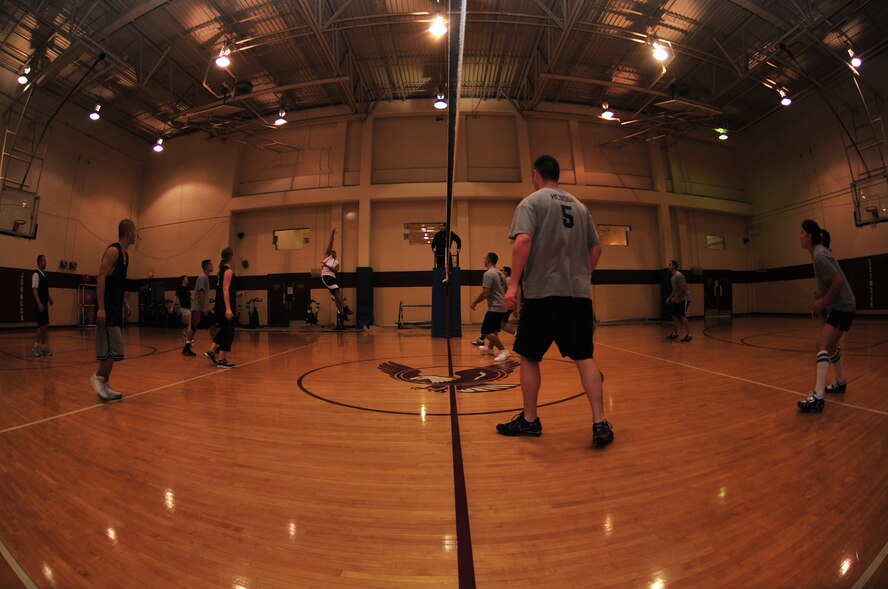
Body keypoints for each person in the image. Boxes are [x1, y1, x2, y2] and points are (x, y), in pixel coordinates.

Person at [497, 155, 614, 446]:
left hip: (543, 293)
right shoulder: (581, 207)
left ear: (536, 174)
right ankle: (600, 423)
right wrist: (581, 274)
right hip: (578, 294)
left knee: (529, 356)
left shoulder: (532, 202)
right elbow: (596, 248)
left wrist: (512, 285)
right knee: (584, 356)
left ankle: (530, 420)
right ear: (556, 175)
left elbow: (523, 241)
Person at [797, 219, 856, 413]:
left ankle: (818, 397)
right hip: (842, 306)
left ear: (810, 236)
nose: (800, 236)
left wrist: (822, 302)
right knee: (830, 346)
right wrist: (821, 296)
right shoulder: (818, 255)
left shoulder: (820, 255)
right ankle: (840, 382)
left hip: (843, 307)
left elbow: (838, 281)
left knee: (821, 345)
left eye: (802, 233)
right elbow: (832, 283)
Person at [90, 219, 137, 402]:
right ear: (128, 232)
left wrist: (125, 302)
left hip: (115, 308)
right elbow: (100, 277)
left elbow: (117, 284)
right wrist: (101, 308)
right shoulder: (113, 251)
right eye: (135, 231)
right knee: (113, 350)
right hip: (107, 309)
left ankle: (105, 383)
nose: (137, 235)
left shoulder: (126, 255)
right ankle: (96, 379)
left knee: (113, 352)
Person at [470, 252, 510, 362]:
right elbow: (506, 290)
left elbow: (485, 293)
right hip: (502, 306)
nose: (484, 260)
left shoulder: (488, 274)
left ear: (488, 260)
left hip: (496, 307)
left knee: (486, 331)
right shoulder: (501, 274)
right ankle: (490, 349)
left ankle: (503, 351)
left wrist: (475, 302)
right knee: (493, 329)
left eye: (484, 258)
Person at [206, 248, 237, 368]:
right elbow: (225, 289)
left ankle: (212, 351)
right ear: (231, 256)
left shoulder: (220, 271)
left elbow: (225, 290)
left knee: (224, 329)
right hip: (224, 307)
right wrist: (228, 309)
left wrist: (235, 295)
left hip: (220, 305)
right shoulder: (228, 271)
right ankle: (221, 359)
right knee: (228, 332)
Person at [320, 229, 352, 326]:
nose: (333, 251)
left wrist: (327, 266)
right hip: (326, 276)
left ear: (336, 255)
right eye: (332, 251)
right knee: (337, 291)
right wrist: (332, 233)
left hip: (332, 277)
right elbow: (331, 243)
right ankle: (345, 307)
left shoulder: (337, 262)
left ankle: (341, 313)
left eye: (335, 252)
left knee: (337, 295)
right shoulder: (327, 256)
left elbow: (336, 271)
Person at [186, 259, 214, 355]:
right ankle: (186, 348)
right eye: (211, 264)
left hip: (201, 308)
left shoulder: (205, 277)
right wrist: (204, 307)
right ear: (206, 266)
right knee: (194, 327)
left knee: (212, 324)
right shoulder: (203, 277)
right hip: (199, 308)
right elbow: (201, 292)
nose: (212, 266)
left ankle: (216, 346)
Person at [32, 254, 53, 357]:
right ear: (40, 262)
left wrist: (49, 299)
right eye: (44, 260)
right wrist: (39, 303)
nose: (46, 262)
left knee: (45, 326)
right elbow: (34, 289)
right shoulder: (36, 275)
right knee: (41, 326)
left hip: (44, 303)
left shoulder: (44, 274)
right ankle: (35, 347)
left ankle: (44, 347)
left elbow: (44, 289)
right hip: (40, 304)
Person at [665, 260, 692, 342]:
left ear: (674, 266)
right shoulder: (672, 276)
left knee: (682, 315)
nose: (668, 266)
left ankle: (689, 335)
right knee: (674, 315)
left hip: (684, 298)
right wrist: (670, 297)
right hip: (677, 299)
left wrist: (675, 297)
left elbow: (683, 288)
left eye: (670, 265)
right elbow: (675, 289)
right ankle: (675, 333)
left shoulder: (679, 275)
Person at [171, 275, 195, 356]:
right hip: (184, 308)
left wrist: (195, 301)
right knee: (191, 323)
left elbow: (190, 297)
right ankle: (187, 334)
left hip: (189, 307)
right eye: (186, 278)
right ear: (182, 280)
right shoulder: (179, 288)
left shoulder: (187, 288)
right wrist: (172, 307)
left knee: (192, 323)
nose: (187, 279)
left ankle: (186, 333)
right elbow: (175, 298)